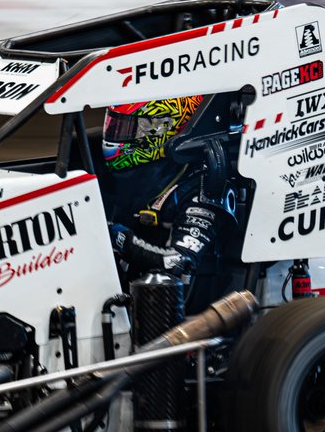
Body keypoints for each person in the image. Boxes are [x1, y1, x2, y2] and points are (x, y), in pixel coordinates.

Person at [100, 95, 237, 304]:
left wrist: (119, 239)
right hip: (131, 302)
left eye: (129, 128)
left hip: (182, 319)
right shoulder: (141, 177)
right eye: (115, 126)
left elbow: (178, 261)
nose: (117, 136)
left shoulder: (200, 185)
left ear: (163, 128)